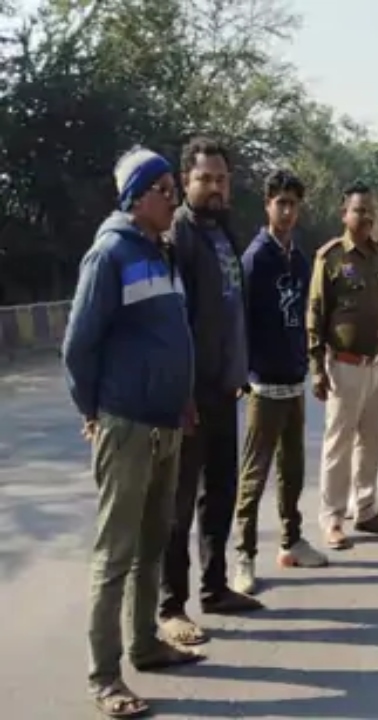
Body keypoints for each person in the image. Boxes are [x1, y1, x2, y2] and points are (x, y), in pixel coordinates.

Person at [64, 148, 204, 718]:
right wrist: (94, 413)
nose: (174, 198)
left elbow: (173, 337)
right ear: (137, 197)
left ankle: (146, 645)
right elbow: (77, 346)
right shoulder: (111, 254)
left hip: (167, 424)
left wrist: (185, 398)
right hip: (126, 427)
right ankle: (105, 676)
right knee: (115, 555)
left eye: (174, 187)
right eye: (165, 189)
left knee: (153, 546)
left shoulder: (161, 253)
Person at [160, 136, 261, 649]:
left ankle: (214, 586)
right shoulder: (179, 233)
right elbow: (176, 321)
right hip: (191, 396)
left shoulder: (221, 231)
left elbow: (229, 311)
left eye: (222, 178)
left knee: (218, 493)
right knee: (178, 504)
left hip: (225, 391)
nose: (216, 187)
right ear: (185, 182)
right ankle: (170, 606)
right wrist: (184, 391)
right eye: (205, 178)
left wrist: (239, 370)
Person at [231, 170, 328, 596]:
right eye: (280, 203)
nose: (287, 211)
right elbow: (240, 323)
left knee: (293, 471)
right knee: (254, 475)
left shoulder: (300, 260)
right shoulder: (255, 260)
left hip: (293, 381)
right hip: (263, 385)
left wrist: (312, 363)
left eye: (293, 204)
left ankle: (291, 542)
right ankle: (244, 555)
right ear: (267, 206)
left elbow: (307, 318)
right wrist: (241, 374)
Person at [307, 181, 378, 550]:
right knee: (339, 444)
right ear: (343, 213)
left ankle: (365, 510)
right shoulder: (331, 258)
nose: (364, 216)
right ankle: (332, 518)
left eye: (368, 210)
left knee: (373, 440)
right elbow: (315, 313)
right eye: (357, 209)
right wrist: (317, 366)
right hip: (344, 366)